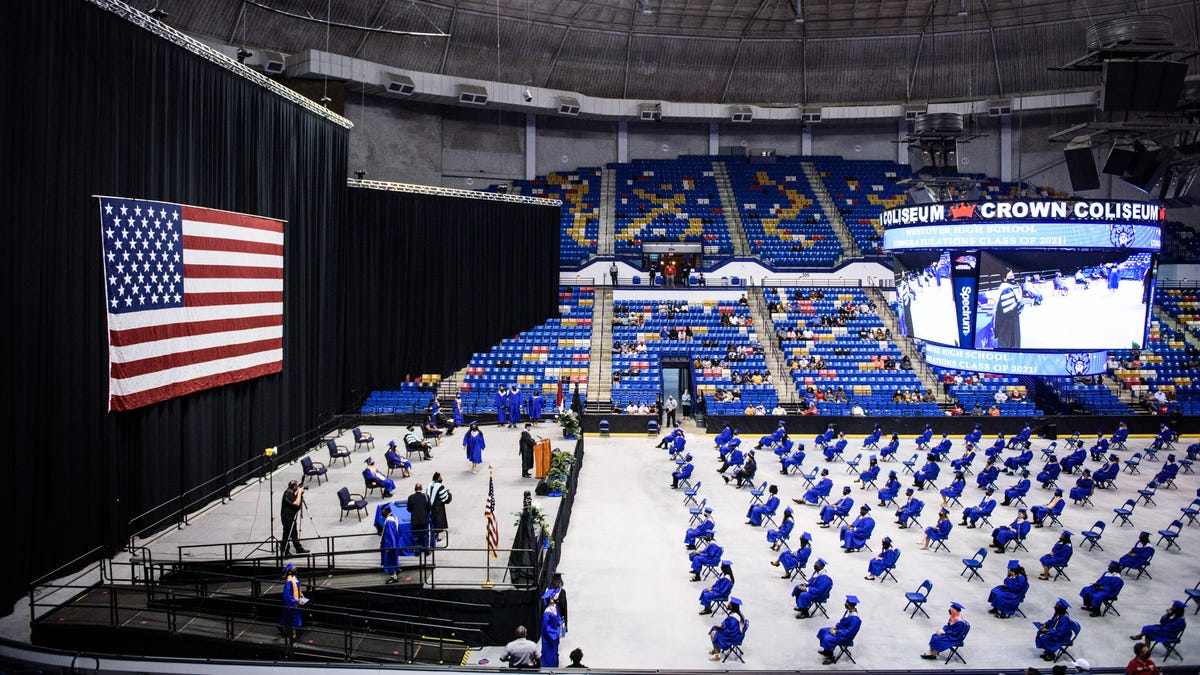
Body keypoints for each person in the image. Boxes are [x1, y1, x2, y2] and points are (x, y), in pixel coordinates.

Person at [816, 595, 862, 665]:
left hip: (845, 637)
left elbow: (849, 633)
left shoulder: (855, 619)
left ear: (850, 605)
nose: (845, 604)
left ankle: (831, 657)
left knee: (828, 638)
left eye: (846, 603)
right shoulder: (848, 611)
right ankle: (827, 651)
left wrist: (836, 632)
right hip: (841, 630)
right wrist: (835, 627)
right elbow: (842, 621)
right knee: (823, 630)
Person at [994, 270, 1026, 349]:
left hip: (1006, 323)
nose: (1013, 278)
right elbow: (1009, 310)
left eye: (1013, 276)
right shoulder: (1006, 289)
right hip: (1008, 325)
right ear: (1004, 278)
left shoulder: (1004, 287)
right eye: (1010, 276)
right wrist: (1021, 304)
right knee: (1009, 345)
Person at [280, 479, 308, 556]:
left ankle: (298, 548)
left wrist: (299, 493)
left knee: (294, 533)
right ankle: (284, 551)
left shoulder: (291, 492)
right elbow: (296, 503)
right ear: (294, 487)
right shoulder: (287, 495)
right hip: (287, 518)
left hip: (291, 516)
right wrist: (299, 493)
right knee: (287, 534)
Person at [280, 563, 305, 641]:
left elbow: (298, 589)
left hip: (296, 601)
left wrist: (301, 596)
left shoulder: (294, 578)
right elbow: (287, 595)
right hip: (291, 603)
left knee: (295, 618)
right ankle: (292, 635)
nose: (295, 571)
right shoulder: (289, 581)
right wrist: (296, 602)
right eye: (294, 570)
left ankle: (293, 633)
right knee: (290, 619)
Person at [540, 588, 562, 667]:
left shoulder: (555, 608)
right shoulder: (547, 612)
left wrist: (561, 625)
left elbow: (558, 617)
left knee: (555, 652)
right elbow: (546, 628)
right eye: (552, 598)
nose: (554, 600)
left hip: (554, 636)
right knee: (549, 655)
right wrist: (556, 634)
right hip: (548, 638)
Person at [381, 505, 402, 583]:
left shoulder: (389, 522)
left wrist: (389, 548)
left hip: (390, 545)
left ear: (386, 511)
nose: (382, 512)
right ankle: (397, 569)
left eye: (383, 511)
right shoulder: (394, 517)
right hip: (394, 543)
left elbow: (390, 536)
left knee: (390, 560)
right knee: (394, 558)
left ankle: (394, 577)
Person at [427, 472, 450, 542]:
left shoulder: (430, 485)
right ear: (437, 478)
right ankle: (437, 537)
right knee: (437, 522)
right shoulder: (440, 487)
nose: (441, 478)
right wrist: (449, 495)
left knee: (432, 521)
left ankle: (433, 536)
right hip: (437, 508)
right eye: (440, 477)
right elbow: (444, 498)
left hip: (430, 506)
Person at [406, 483, 430, 551]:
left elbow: (408, 509)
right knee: (425, 535)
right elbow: (429, 507)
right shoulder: (426, 496)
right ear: (421, 489)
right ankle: (426, 549)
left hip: (415, 520)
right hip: (424, 519)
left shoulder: (410, 497)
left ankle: (417, 550)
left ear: (415, 489)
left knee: (415, 535)